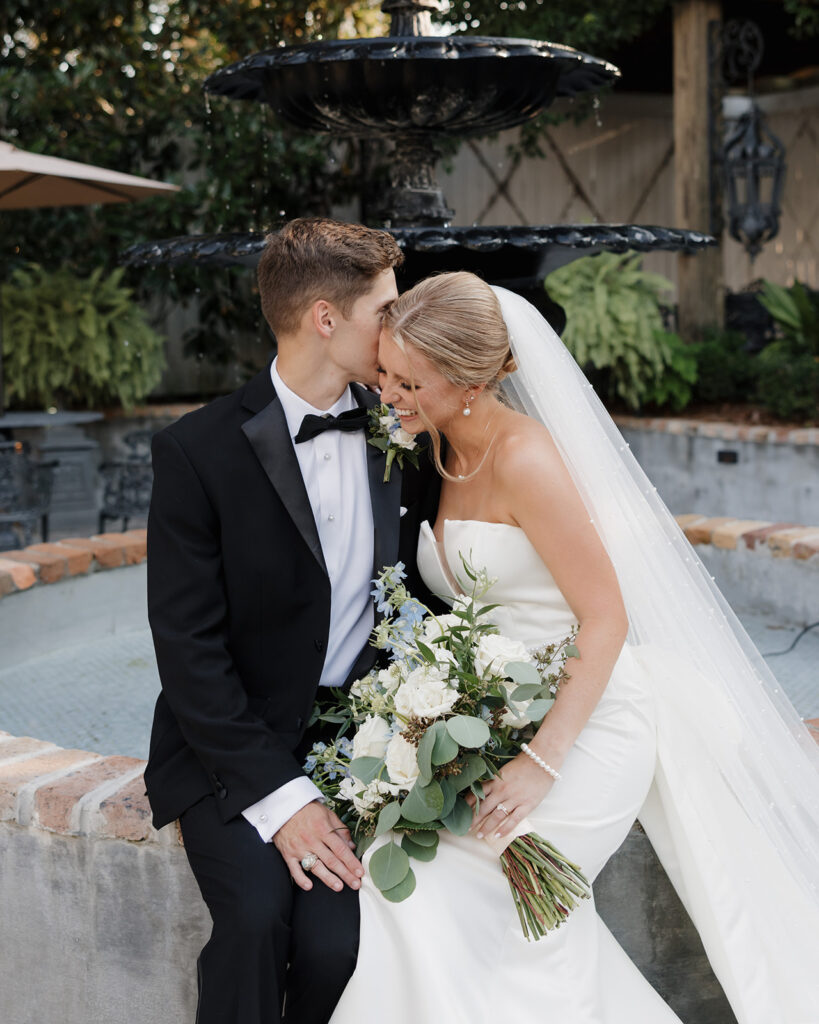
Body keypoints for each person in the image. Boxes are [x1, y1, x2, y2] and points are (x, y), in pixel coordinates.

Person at [329, 271, 819, 1024]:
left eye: (407, 383)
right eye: (387, 375)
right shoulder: (437, 451)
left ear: (468, 382)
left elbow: (605, 619)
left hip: (590, 724)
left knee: (488, 900)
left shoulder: (527, 460)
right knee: (401, 875)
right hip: (500, 713)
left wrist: (538, 763)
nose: (388, 395)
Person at [144, 217, 441, 1024]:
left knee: (335, 949)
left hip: (360, 743)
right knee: (252, 917)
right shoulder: (195, 453)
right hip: (227, 746)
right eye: (385, 309)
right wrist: (280, 797)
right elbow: (189, 652)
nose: (398, 325)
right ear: (324, 318)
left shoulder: (403, 427)